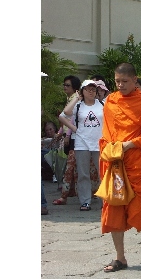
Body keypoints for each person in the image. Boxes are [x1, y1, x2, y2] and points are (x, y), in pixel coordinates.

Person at [100, 62, 141, 272]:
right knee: (114, 207)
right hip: (116, 163)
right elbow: (107, 133)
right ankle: (120, 258)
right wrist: (110, 150)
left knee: (140, 207)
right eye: (117, 81)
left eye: (124, 81)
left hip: (137, 161)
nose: (120, 85)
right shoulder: (111, 101)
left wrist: (130, 144)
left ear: (135, 80)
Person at [62, 80, 104, 210]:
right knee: (83, 174)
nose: (91, 92)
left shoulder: (102, 104)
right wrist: (74, 129)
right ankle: (85, 201)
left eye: (93, 89)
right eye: (88, 89)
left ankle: (106, 201)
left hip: (99, 142)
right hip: (82, 143)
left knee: (103, 173)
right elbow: (64, 114)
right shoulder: (78, 106)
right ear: (82, 91)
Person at [53, 75, 82, 205]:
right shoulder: (70, 98)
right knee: (71, 166)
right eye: (64, 84)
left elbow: (71, 119)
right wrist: (60, 133)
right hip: (68, 135)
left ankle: (65, 193)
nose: (65, 87)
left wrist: (67, 135)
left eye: (67, 85)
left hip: (73, 136)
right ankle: (70, 191)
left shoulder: (76, 99)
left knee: (70, 166)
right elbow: (64, 119)